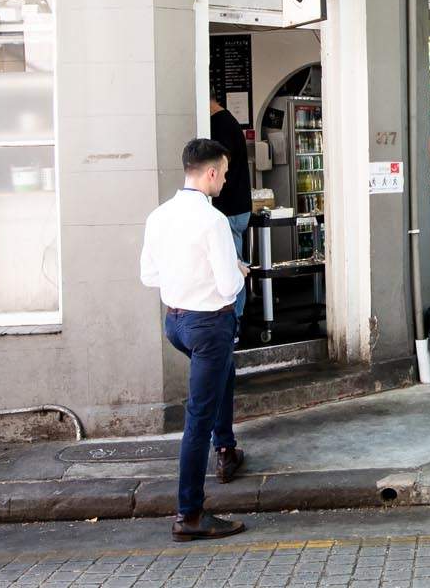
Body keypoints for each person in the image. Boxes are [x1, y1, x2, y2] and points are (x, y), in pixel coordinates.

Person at [140, 139, 251, 540]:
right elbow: (227, 287)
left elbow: (148, 276)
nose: (224, 179)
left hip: (176, 324)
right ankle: (189, 515)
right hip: (209, 326)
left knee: (224, 372)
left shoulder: (158, 216)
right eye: (222, 172)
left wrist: (184, 276)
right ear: (209, 173)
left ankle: (227, 448)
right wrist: (240, 270)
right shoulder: (214, 221)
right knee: (196, 422)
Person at [208, 98, 253, 315]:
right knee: (233, 263)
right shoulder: (230, 122)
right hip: (238, 206)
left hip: (230, 209)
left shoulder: (219, 125)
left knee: (232, 266)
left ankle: (235, 320)